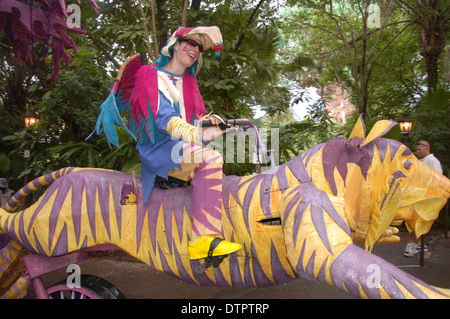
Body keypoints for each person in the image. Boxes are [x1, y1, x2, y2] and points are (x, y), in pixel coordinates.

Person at [128, 26, 242, 261]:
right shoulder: (149, 75)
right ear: (175, 45)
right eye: (190, 43)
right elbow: (164, 120)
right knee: (210, 158)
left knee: (214, 162)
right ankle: (203, 240)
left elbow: (191, 123)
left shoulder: (189, 82)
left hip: (181, 146)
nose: (195, 51)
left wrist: (210, 125)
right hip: (158, 148)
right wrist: (198, 134)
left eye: (200, 49)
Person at [403, 140, 443, 257]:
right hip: (418, 195)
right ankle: (419, 244)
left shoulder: (432, 161)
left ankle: (412, 244)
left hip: (426, 197)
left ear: (426, 148)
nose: (417, 151)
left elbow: (438, 178)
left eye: (419, 149)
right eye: (417, 149)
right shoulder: (421, 161)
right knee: (415, 220)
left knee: (416, 220)